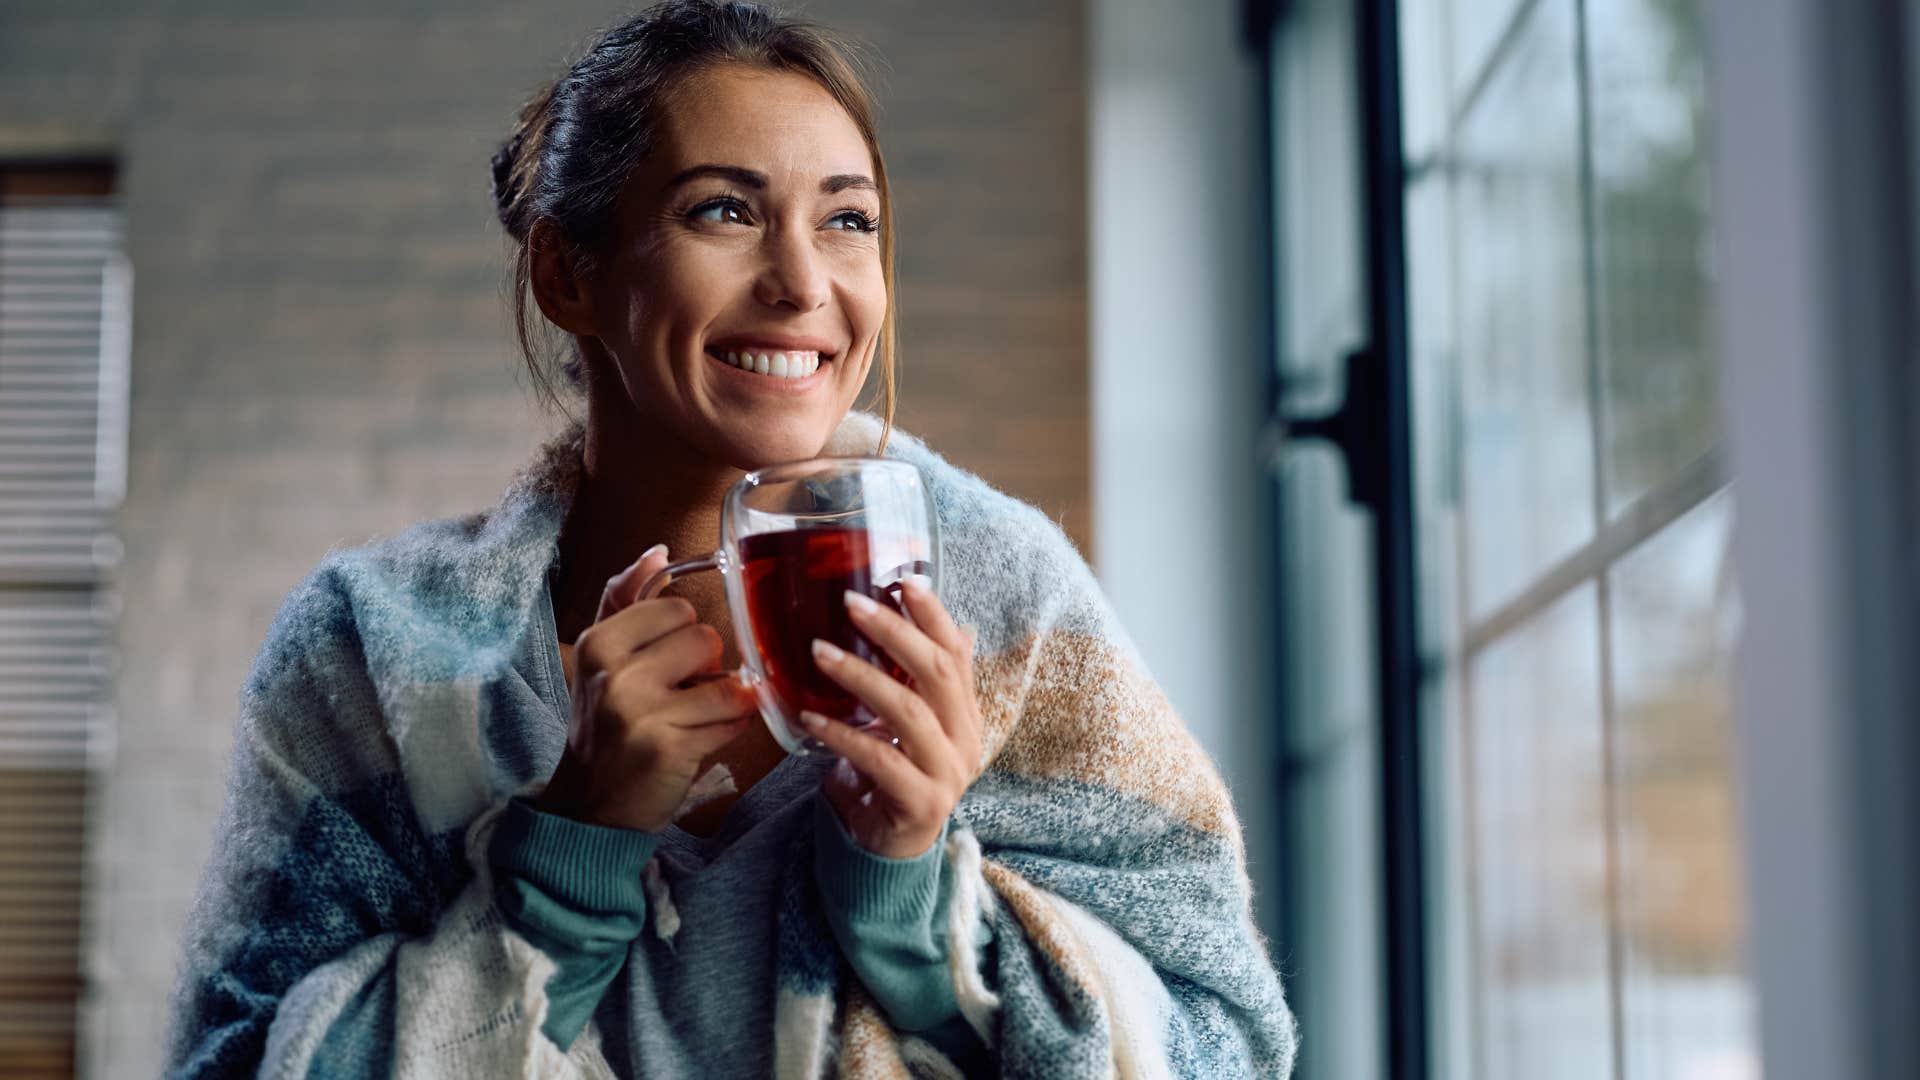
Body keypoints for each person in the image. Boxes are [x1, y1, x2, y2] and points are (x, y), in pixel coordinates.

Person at [165, 2, 1296, 1076]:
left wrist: (906, 895)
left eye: (848, 220)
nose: (804, 283)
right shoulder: (369, 649)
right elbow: (230, 1064)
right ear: (570, 274)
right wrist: (571, 846)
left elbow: (1226, 1046)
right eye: (725, 211)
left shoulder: (1013, 603)